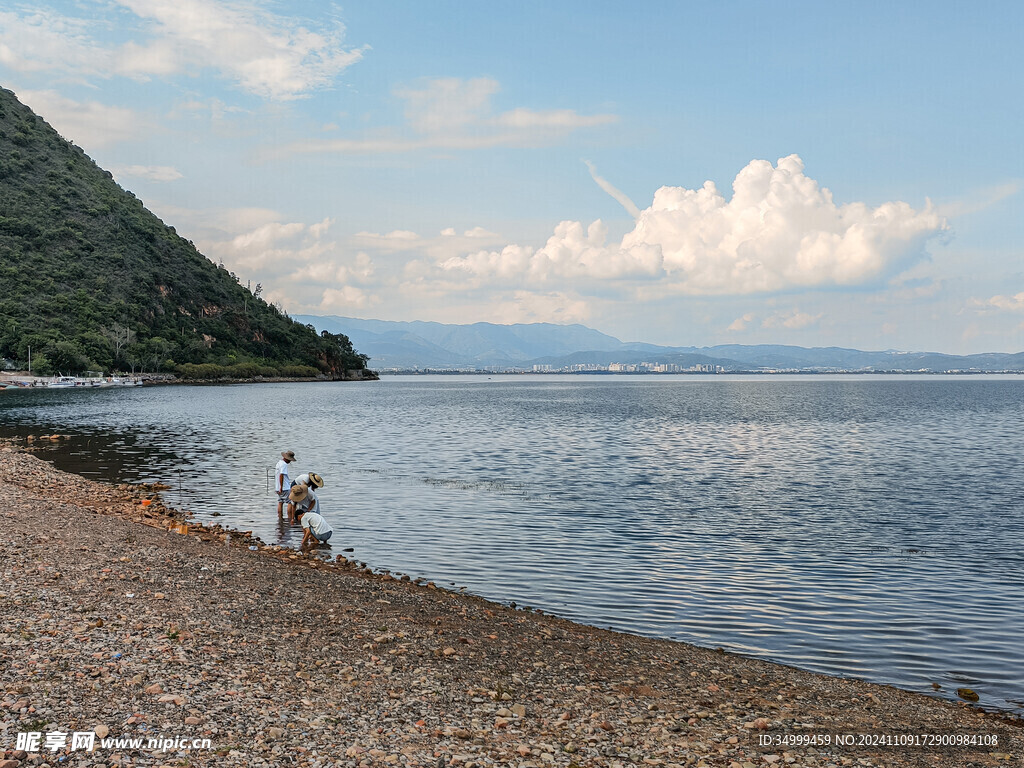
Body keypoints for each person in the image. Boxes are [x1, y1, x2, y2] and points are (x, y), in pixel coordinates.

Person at [274, 451, 295, 518]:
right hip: (284, 487)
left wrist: (279, 488)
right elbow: (281, 475)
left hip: (277, 487)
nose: (290, 462)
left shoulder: (279, 463)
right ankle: (290, 517)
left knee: (280, 501)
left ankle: (280, 517)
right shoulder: (284, 464)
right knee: (290, 501)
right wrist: (281, 487)